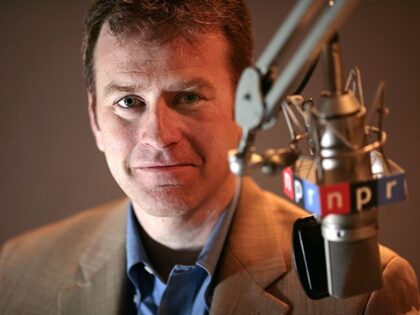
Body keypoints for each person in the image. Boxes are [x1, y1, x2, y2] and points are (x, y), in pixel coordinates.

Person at [0, 0, 419, 314]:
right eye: (128, 101)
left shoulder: (366, 293)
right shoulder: (18, 270)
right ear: (95, 118)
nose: (158, 137)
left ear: (245, 106)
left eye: (188, 97)